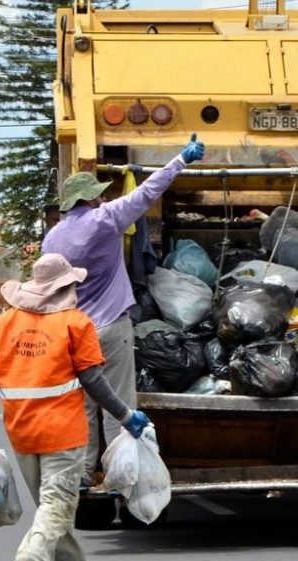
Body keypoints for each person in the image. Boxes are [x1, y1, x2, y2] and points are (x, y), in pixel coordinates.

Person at [0, 253, 152, 561]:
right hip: (62, 433)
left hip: (21, 432)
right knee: (57, 505)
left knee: (52, 507)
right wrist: (126, 416)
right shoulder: (75, 323)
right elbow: (94, 380)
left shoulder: (2, 325)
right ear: (65, 286)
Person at [43, 134, 205, 487]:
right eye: (100, 192)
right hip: (110, 328)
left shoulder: (52, 238)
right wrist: (181, 159)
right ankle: (119, 475)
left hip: (72, 332)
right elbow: (147, 193)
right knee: (116, 405)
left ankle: (85, 474)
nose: (105, 195)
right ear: (91, 198)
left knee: (84, 406)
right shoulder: (105, 219)